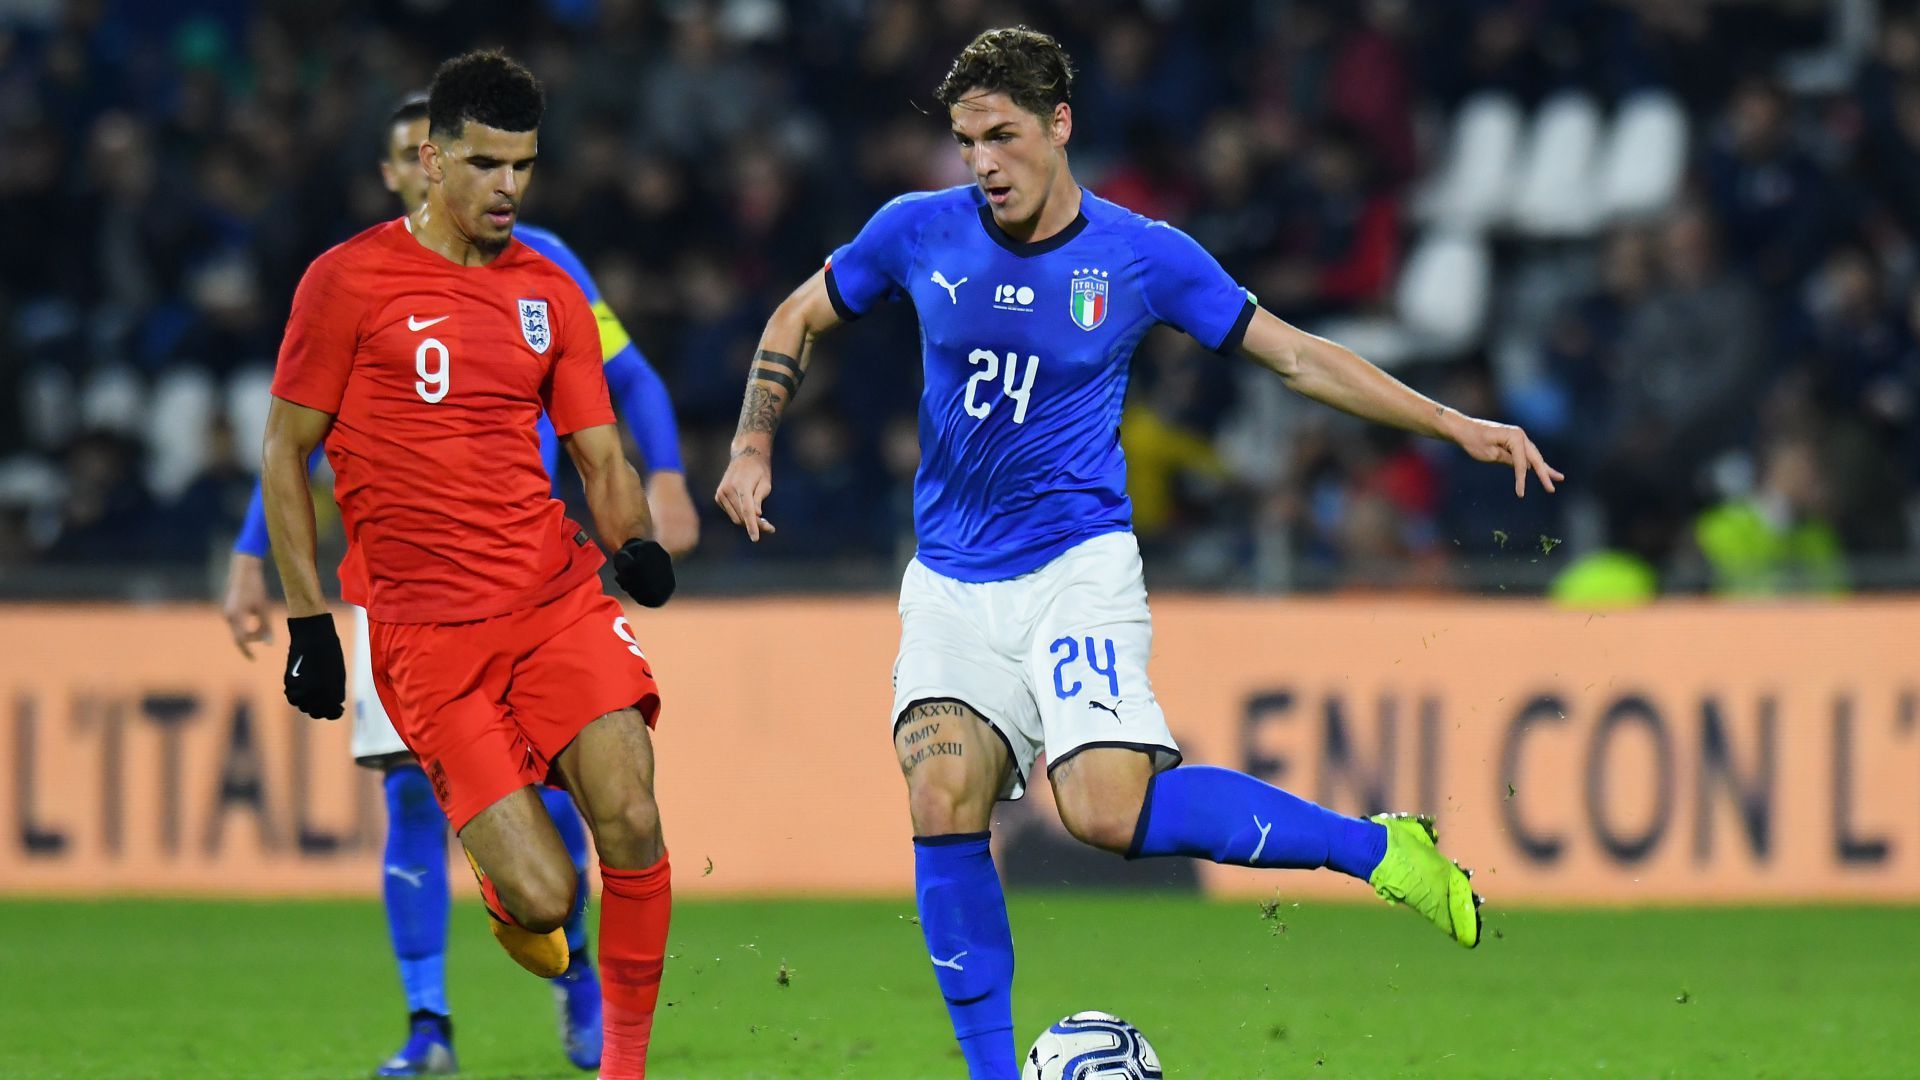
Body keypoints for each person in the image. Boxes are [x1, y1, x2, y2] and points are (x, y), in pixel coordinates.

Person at [713, 28, 1560, 1079]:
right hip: (950, 582)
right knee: (940, 792)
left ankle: (1382, 849)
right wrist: (752, 444)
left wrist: (1451, 422)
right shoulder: (916, 229)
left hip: (1077, 570)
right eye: (967, 141)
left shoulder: (1140, 255)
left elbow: (1296, 358)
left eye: (1002, 136)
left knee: (1105, 812)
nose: (982, 163)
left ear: (1059, 124)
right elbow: (798, 314)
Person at [223, 93, 696, 1077]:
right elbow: (288, 448)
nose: (510, 185)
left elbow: (601, 438)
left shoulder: (552, 282)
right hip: (421, 630)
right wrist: (303, 617)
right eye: (487, 164)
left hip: (552, 599)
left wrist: (637, 535)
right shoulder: (346, 281)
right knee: (538, 890)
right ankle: (438, 1005)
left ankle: (622, 1063)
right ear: (427, 163)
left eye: (524, 164)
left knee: (631, 814)